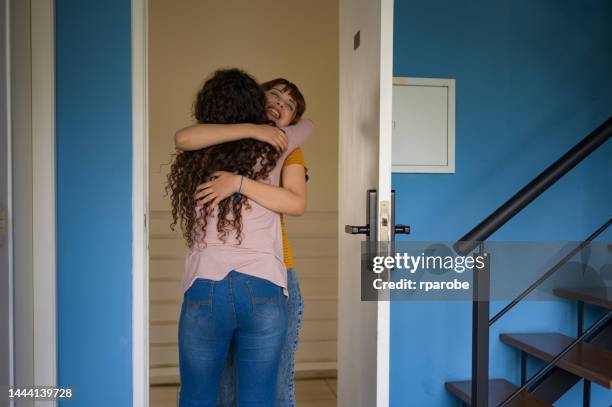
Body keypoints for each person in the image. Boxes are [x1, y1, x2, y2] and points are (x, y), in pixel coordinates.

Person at [167, 68, 313, 407]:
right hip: (263, 284)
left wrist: (238, 182)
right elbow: (309, 126)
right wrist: (255, 129)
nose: (280, 103)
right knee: (255, 399)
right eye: (274, 95)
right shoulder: (273, 144)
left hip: (208, 283)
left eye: (289, 103)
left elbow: (182, 137)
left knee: (196, 397)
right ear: (254, 98)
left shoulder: (209, 148)